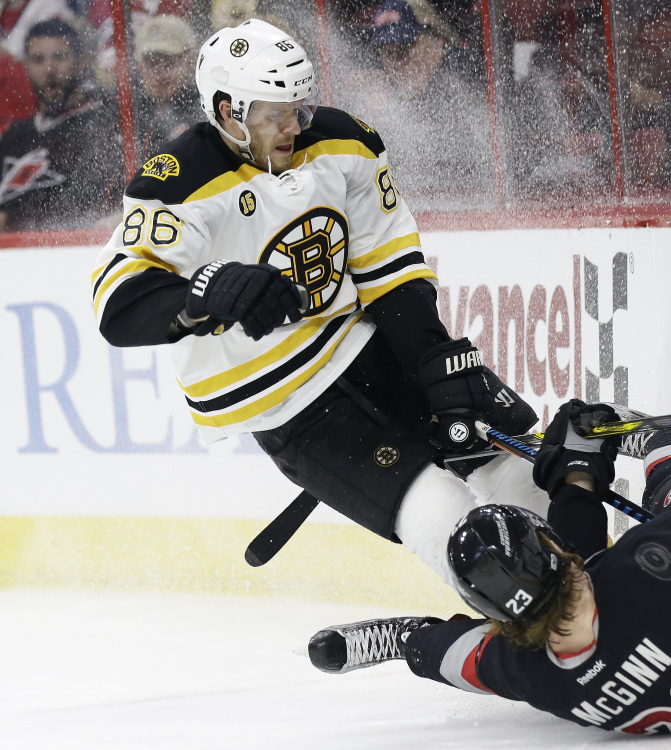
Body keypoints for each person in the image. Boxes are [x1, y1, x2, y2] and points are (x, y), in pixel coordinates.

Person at [91, 18, 548, 586]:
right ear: (229, 111)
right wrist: (205, 292)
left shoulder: (341, 144)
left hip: (364, 348)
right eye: (273, 113)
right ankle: (540, 643)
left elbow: (389, 268)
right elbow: (119, 307)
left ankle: (613, 589)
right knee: (446, 516)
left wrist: (432, 359)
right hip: (283, 403)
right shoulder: (181, 180)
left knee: (526, 472)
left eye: (299, 106)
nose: (294, 125)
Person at [308, 374, 671, 736]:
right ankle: (654, 439)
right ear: (552, 548)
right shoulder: (653, 563)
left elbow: (452, 653)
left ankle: (585, 464)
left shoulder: (532, 673)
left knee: (569, 595)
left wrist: (404, 639)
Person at [341, 0, 492, 210]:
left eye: (404, 49)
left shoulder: (476, 86)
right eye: (387, 52)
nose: (397, 62)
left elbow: (491, 174)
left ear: (437, 42)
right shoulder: (376, 106)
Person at [0, 18, 122, 231]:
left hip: (78, 253)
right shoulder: (15, 135)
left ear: (82, 61)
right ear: (26, 66)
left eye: (60, 57)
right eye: (38, 59)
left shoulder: (104, 122)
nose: (49, 69)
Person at [132, 15, 202, 160]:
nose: (158, 75)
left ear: (191, 60)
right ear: (139, 65)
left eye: (168, 63)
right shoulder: (129, 111)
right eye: (150, 63)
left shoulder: (206, 111)